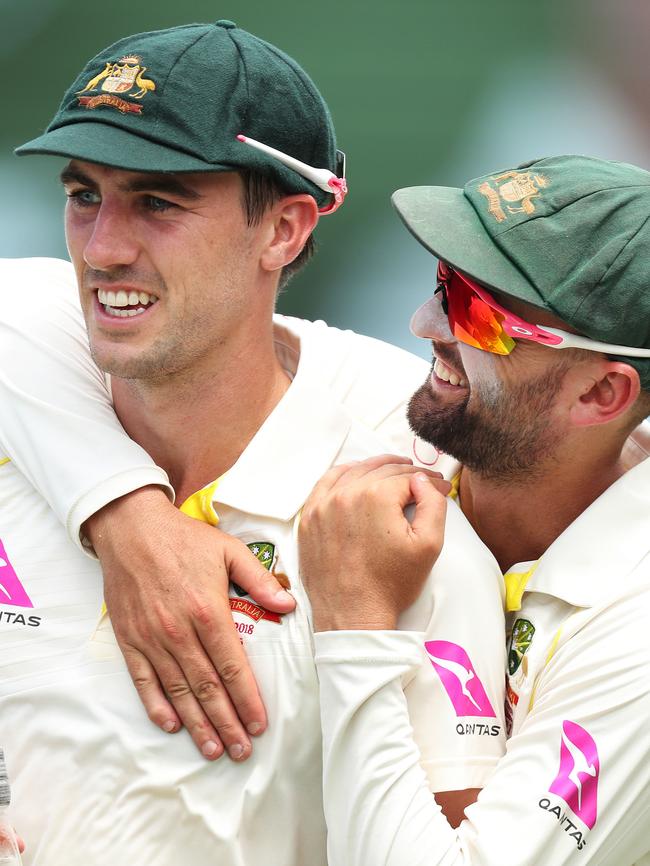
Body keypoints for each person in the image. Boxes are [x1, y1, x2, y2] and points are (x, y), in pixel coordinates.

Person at [0, 21, 506, 864]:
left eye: (158, 203)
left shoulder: (407, 524)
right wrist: (124, 511)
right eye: (84, 194)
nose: (102, 248)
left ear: (284, 231)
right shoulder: (19, 417)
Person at [297, 154, 650, 865]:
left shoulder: (636, 635)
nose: (425, 321)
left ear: (600, 396)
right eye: (444, 284)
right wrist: (126, 510)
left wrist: (356, 623)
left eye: (476, 315)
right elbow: (37, 310)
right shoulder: (398, 404)